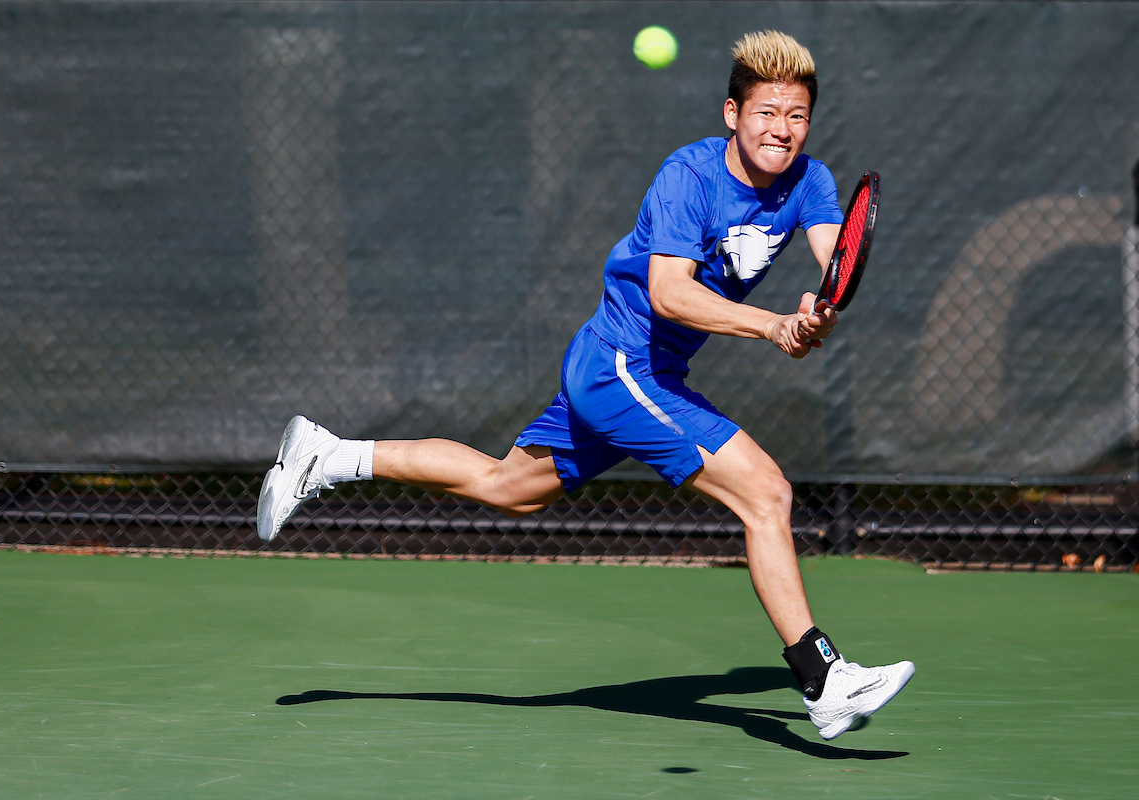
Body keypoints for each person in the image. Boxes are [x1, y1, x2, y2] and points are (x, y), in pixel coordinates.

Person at [256, 30, 913, 741]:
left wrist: (815, 313)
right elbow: (668, 294)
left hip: (644, 371)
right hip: (619, 365)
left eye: (796, 116)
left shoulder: (810, 180)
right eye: (765, 113)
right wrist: (768, 326)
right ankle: (824, 681)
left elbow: (830, 264)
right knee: (768, 493)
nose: (781, 130)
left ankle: (327, 455)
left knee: (507, 487)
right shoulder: (687, 178)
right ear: (732, 113)